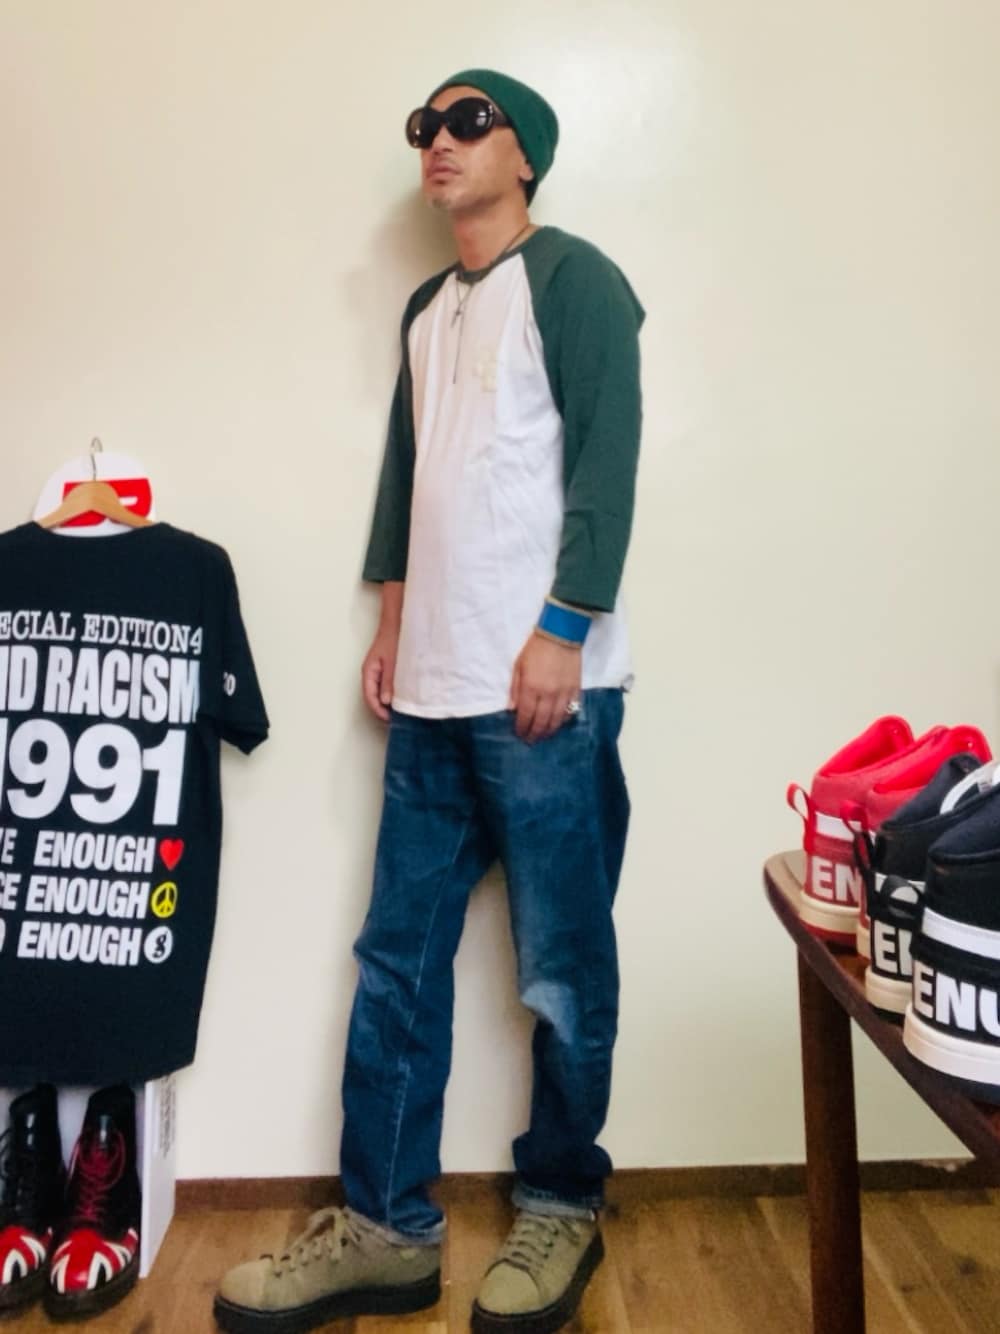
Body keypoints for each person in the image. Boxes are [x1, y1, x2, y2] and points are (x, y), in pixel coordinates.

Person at [215, 68, 644, 1334]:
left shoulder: (573, 280)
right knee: (397, 962)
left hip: (545, 692)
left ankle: (559, 1203)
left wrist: (563, 628)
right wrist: (393, 625)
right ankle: (387, 1229)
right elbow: (408, 477)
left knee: (562, 971)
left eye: (468, 122)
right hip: (432, 695)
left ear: (526, 153)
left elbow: (608, 460)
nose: (438, 142)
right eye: (425, 127)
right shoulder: (424, 306)